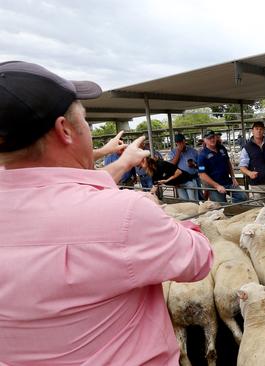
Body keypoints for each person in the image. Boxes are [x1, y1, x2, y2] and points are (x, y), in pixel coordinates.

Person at [0, 61, 213, 364]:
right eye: (86, 121)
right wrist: (155, 212)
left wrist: (124, 162)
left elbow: (64, 192)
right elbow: (199, 259)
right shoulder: (127, 214)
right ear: (65, 130)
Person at [198, 129, 248, 203]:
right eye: (209, 138)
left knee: (243, 197)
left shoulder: (221, 148)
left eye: (213, 137)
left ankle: (230, 207)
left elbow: (228, 162)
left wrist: (233, 177)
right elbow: (202, 174)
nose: (212, 139)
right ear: (205, 140)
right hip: (214, 185)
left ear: (215, 137)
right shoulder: (202, 155)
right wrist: (216, 186)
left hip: (227, 181)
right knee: (220, 206)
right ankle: (226, 209)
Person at [239, 121, 265, 202]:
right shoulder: (247, 148)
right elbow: (242, 167)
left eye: (261, 129)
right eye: (256, 129)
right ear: (252, 131)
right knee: (258, 208)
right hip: (256, 184)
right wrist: (249, 173)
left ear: (264, 131)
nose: (259, 131)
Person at [167, 133, 200, 201]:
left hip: (191, 179)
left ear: (184, 141)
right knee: (184, 201)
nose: (180, 144)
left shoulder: (193, 151)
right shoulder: (172, 152)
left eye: (181, 142)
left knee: (193, 200)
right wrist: (178, 152)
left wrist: (194, 165)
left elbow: (201, 167)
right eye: (178, 142)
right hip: (179, 180)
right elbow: (171, 165)